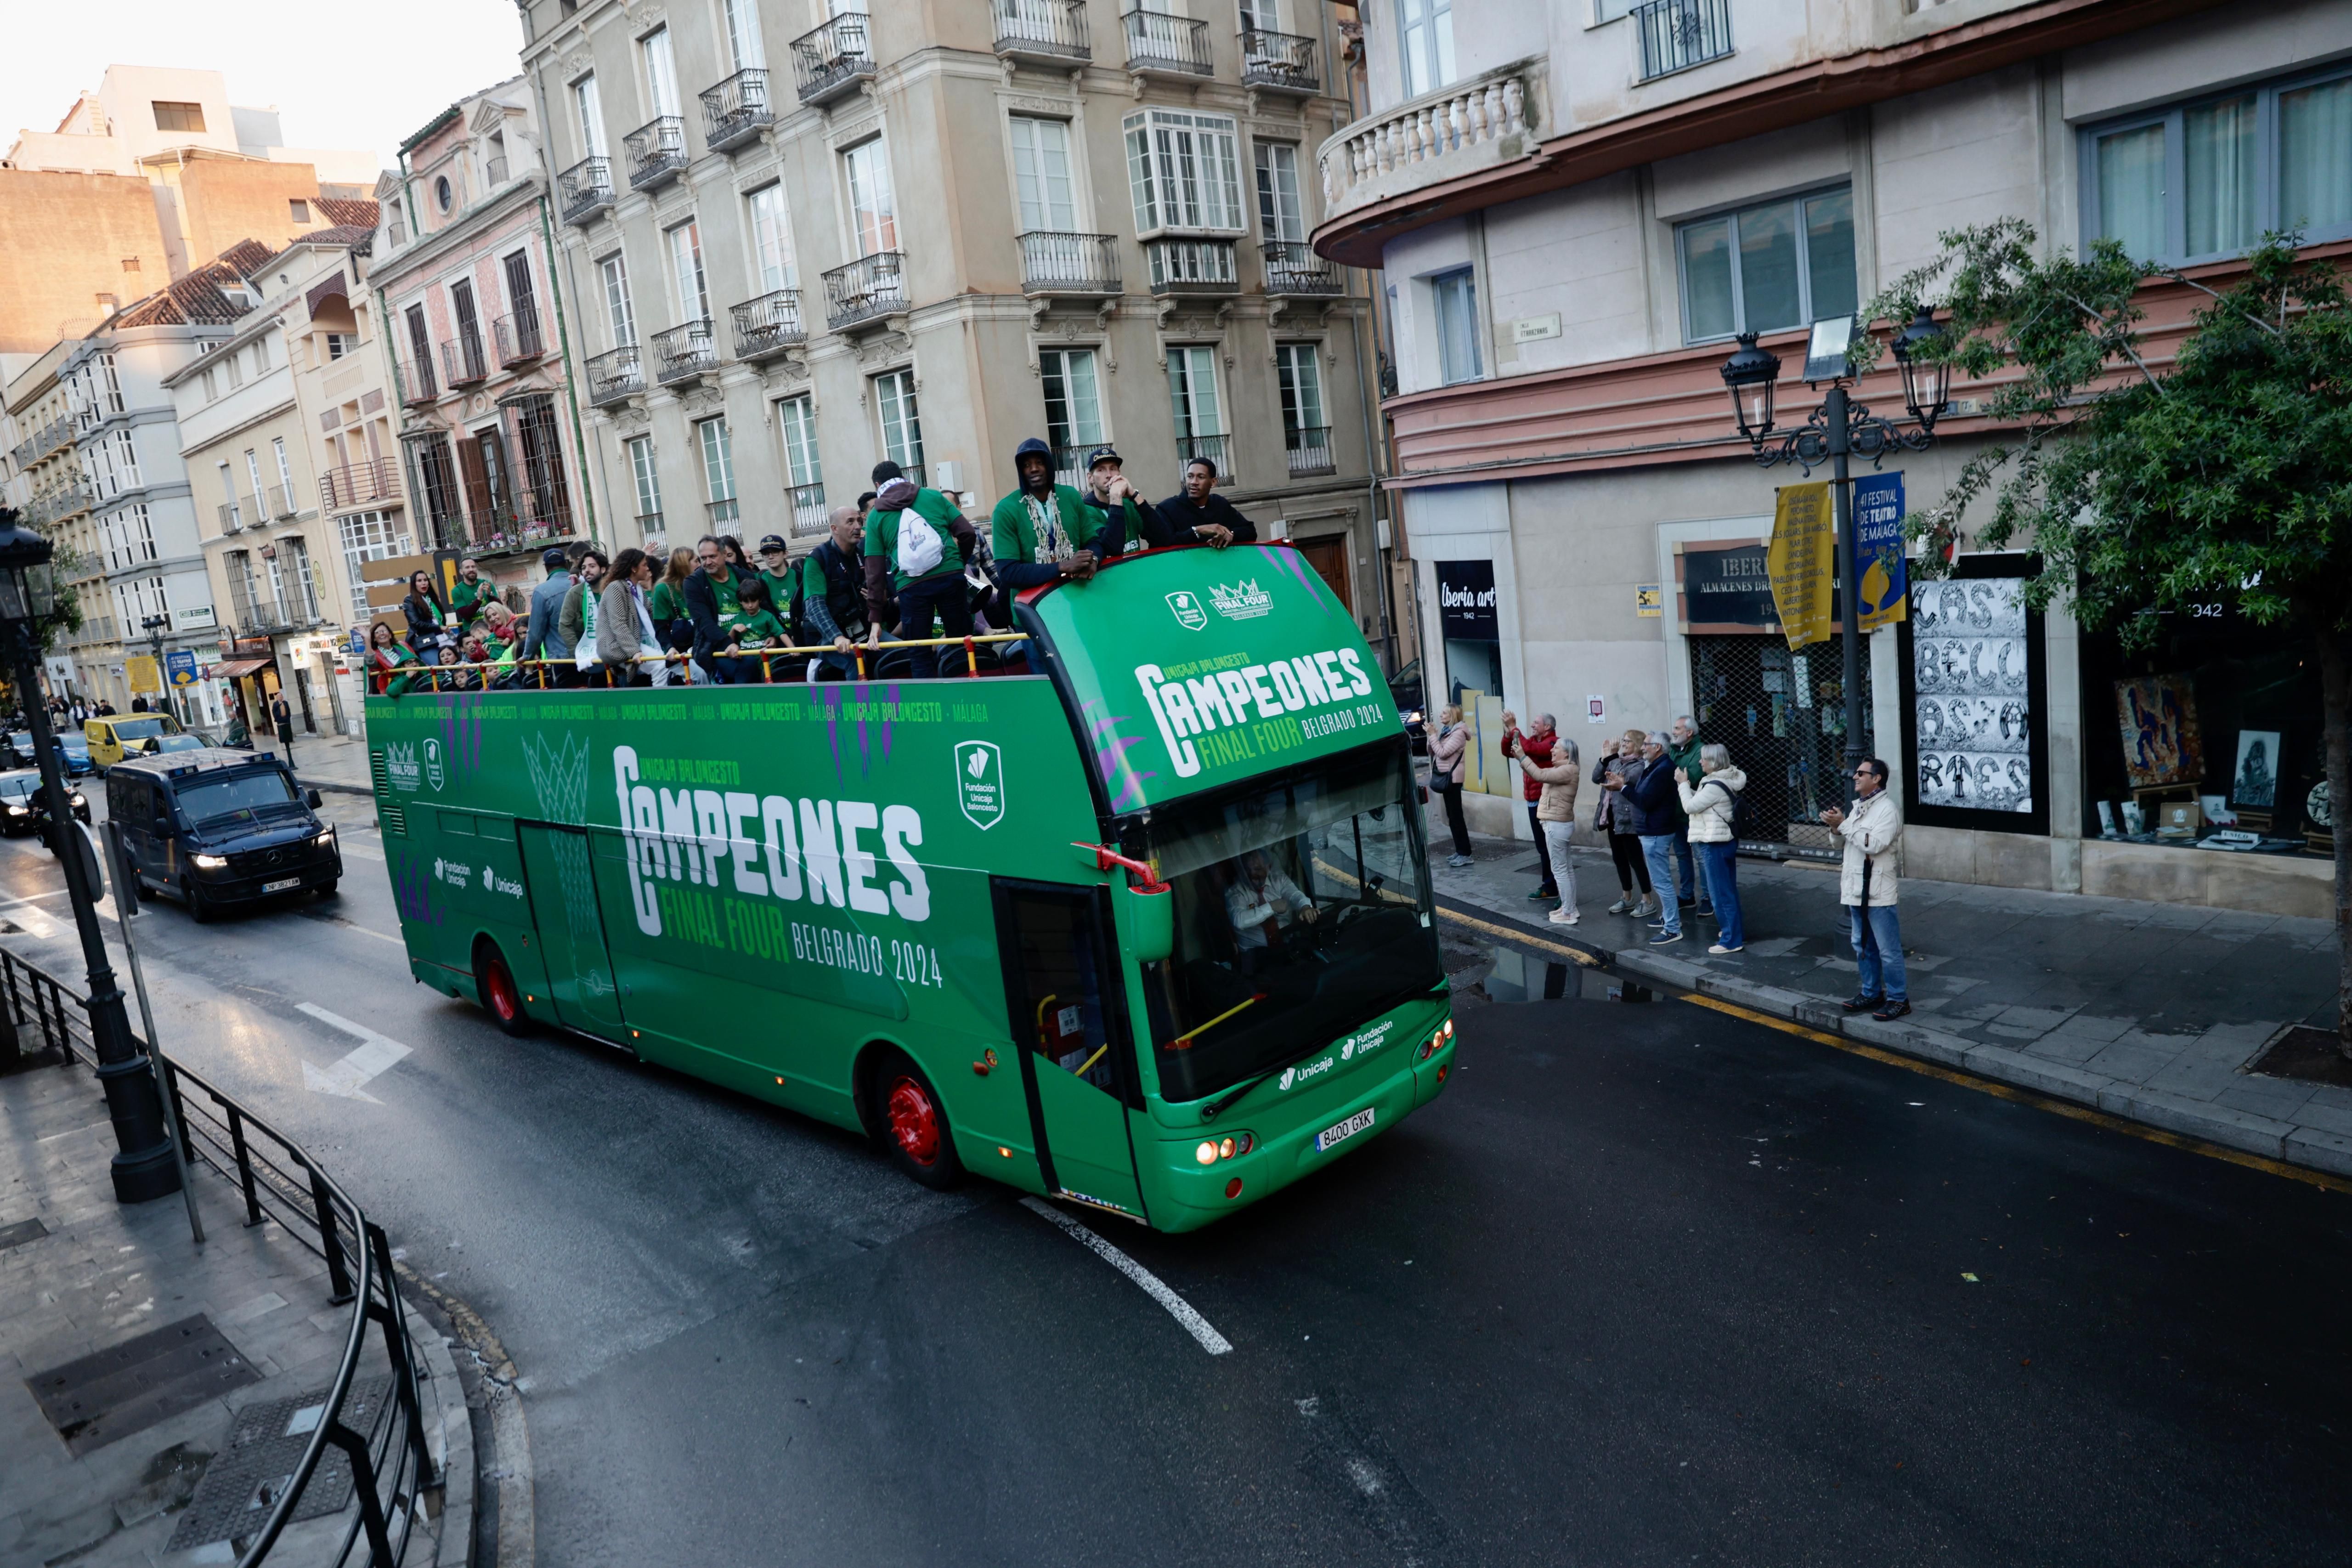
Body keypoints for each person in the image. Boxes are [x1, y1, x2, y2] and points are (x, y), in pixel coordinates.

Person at [863, 472, 978, 679]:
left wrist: (876, 619)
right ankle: (967, 700)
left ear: (878, 484)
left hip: (911, 585)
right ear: (903, 477)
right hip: (950, 577)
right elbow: (968, 533)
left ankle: (931, 703)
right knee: (962, 642)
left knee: (919, 652)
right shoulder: (933, 496)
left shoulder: (876, 516)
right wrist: (957, 564)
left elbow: (875, 571)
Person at [1822, 758, 1907, 1020]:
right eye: (1857, 773)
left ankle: (1898, 999)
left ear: (1877, 778)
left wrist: (1844, 825)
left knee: (1888, 950)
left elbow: (1874, 844)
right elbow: (1842, 846)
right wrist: (1836, 828)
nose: (1855, 776)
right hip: (1856, 888)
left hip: (1879, 891)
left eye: (1862, 773)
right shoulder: (1859, 807)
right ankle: (1871, 992)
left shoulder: (1888, 810)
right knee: (1862, 945)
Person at [989, 436, 1102, 592]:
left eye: (1040, 463)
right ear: (1021, 471)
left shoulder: (1071, 496)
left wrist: (1093, 560)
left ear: (1049, 466)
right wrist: (1062, 566)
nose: (1034, 469)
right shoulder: (1005, 509)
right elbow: (1008, 572)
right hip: (1032, 606)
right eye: (1027, 465)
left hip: (1078, 596)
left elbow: (1093, 542)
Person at [1678, 742, 1747, 954]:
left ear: (1714, 762)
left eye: (1704, 759)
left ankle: (1731, 940)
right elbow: (1701, 801)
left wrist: (1682, 785)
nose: (1700, 762)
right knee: (1728, 890)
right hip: (1724, 841)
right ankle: (1734, 931)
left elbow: (1690, 806)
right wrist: (1688, 787)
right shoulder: (1722, 780)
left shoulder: (1714, 785)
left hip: (1714, 843)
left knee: (1720, 894)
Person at [1624, 731, 1685, 945]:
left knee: (1662, 883)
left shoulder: (1663, 769)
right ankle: (1669, 919)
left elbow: (1646, 801)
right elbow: (1643, 794)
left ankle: (1672, 928)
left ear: (1658, 747)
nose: (1643, 748)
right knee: (1661, 881)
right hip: (1652, 831)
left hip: (1656, 832)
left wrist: (1622, 788)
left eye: (1646, 745)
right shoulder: (1655, 767)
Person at [798, 507, 868, 680]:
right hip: (823, 635)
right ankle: (857, 706)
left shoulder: (862, 554)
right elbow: (814, 607)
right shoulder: (817, 559)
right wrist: (836, 637)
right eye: (850, 522)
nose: (858, 526)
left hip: (858, 629)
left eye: (859, 521)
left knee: (897, 651)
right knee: (854, 660)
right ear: (834, 528)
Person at [1498, 710, 1560, 902]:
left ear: (1547, 727)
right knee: (1543, 847)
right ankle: (1550, 887)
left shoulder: (1553, 743)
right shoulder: (1532, 741)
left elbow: (1531, 749)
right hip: (1533, 800)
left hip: (1545, 801)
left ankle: (1557, 888)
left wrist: (1514, 727)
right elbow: (1507, 751)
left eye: (1536, 723)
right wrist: (1509, 733)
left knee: (1551, 847)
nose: (1533, 725)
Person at [1520, 735, 1581, 926]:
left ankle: (1569, 912)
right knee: (1566, 869)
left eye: (1557, 749)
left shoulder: (1568, 770)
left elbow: (1540, 775)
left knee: (1561, 870)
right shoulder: (1564, 769)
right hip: (1557, 824)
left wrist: (1523, 757)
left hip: (1557, 825)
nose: (1552, 751)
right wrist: (1522, 759)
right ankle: (1569, 908)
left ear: (1567, 753)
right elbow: (1539, 774)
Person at [1595, 733, 1655, 917]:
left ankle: (1648, 900)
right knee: (1619, 859)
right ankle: (1627, 897)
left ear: (1637, 744)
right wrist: (1605, 759)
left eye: (1627, 741)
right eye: (1623, 740)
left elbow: (1621, 779)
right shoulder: (1616, 760)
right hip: (1613, 816)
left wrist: (1611, 758)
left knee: (1636, 860)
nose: (1623, 744)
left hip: (1629, 819)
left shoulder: (1640, 765)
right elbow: (1597, 777)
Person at [1224, 851, 1317, 968]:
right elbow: (1239, 921)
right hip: (1255, 956)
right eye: (1248, 870)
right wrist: (1272, 907)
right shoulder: (1235, 891)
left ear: (1268, 867)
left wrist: (1305, 907)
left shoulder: (1278, 879)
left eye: (1257, 869)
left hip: (1287, 947)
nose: (1252, 874)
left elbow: (1294, 895)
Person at [1072, 447, 1167, 556]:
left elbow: (1163, 539)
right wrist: (1116, 498)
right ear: (1090, 478)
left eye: (1113, 469)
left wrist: (1135, 496)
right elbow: (1113, 549)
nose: (1109, 475)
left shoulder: (1129, 503)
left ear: (1119, 473)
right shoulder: (1086, 510)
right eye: (1101, 470)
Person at [686, 535, 752, 683]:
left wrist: (775, 636)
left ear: (724, 555)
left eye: (712, 557)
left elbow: (765, 608)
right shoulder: (694, 583)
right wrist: (727, 644)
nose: (707, 562)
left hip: (754, 639)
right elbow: (704, 622)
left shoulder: (745, 576)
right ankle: (740, 706)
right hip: (715, 647)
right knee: (747, 665)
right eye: (703, 558)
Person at [1155, 456, 1258, 548]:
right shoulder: (1167, 508)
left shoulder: (1219, 503)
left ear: (1213, 482)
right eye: (1190, 476)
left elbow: (1250, 531)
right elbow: (1162, 542)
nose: (1194, 482)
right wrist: (1198, 530)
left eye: (1201, 477)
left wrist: (1230, 534)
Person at [596, 548, 661, 686]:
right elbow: (618, 624)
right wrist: (635, 652)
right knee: (661, 665)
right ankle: (661, 702)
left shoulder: (637, 590)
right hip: (621, 648)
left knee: (670, 664)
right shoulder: (616, 588)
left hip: (639, 643)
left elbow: (652, 613)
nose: (647, 568)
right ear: (634, 569)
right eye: (644, 564)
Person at [1667, 715, 1710, 916]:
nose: (1673, 732)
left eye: (1677, 729)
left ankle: (1708, 897)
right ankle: (1687, 895)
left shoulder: (1701, 751)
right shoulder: (1673, 750)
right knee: (1683, 856)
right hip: (1677, 813)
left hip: (1695, 814)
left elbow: (1689, 777)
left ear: (1690, 732)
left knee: (1701, 858)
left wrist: (1673, 775)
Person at [520, 545, 577, 679]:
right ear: (565, 564)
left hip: (561, 659)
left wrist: (527, 655)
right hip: (589, 656)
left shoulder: (542, 592)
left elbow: (535, 632)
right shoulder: (582, 584)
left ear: (546, 568)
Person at [1428, 704, 1472, 867]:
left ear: (1453, 715)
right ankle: (1460, 851)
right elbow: (1433, 751)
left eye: (1445, 713)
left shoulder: (1459, 733)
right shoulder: (1447, 731)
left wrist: (1433, 736)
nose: (1441, 716)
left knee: (1456, 817)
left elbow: (1443, 753)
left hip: (1453, 779)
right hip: (1447, 777)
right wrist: (1431, 736)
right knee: (1452, 817)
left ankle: (1465, 854)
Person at [727, 577, 791, 679]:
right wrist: (733, 629)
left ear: (760, 599)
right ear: (740, 602)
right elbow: (729, 642)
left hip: (768, 664)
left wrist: (793, 650)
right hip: (747, 665)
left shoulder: (767, 616)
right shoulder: (738, 619)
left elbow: (781, 633)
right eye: (746, 602)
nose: (750, 605)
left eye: (753, 601)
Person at [558, 549, 610, 676]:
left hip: (615, 654)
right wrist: (577, 652)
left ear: (603, 569)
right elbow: (564, 625)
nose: (587, 570)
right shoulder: (575, 593)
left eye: (592, 566)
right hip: (589, 658)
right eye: (584, 567)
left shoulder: (613, 590)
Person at [648, 547, 695, 678]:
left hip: (701, 648)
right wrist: (669, 648)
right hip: (679, 653)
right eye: (696, 561)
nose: (701, 564)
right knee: (701, 675)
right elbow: (660, 627)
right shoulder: (663, 589)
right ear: (685, 564)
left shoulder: (698, 584)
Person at [755, 535, 800, 639]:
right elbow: (766, 613)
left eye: (775, 551)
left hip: (801, 633)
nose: (771, 556)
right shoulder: (761, 582)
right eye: (766, 553)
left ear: (785, 554)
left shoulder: (799, 576)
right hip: (778, 636)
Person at [401, 569, 449, 651]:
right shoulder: (409, 600)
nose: (423, 583)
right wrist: (439, 628)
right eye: (419, 581)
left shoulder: (432, 598)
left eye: (425, 580)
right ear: (414, 584)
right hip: (424, 641)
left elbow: (441, 619)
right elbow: (416, 623)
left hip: (441, 637)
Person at [449, 558, 493, 630]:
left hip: (492, 628)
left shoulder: (487, 584)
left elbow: (499, 607)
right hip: (472, 631)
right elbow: (466, 615)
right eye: (467, 567)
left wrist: (490, 595)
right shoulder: (457, 591)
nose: (471, 570)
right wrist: (479, 599)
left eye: (473, 567)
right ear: (461, 572)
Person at [271, 691, 294, 764]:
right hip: (280, 721)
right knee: (283, 736)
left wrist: (288, 717)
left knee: (288, 735)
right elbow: (274, 712)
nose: (280, 698)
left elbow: (289, 711)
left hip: (286, 721)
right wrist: (277, 718)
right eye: (279, 697)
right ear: (277, 698)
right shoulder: (275, 704)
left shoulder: (286, 703)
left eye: (281, 696)